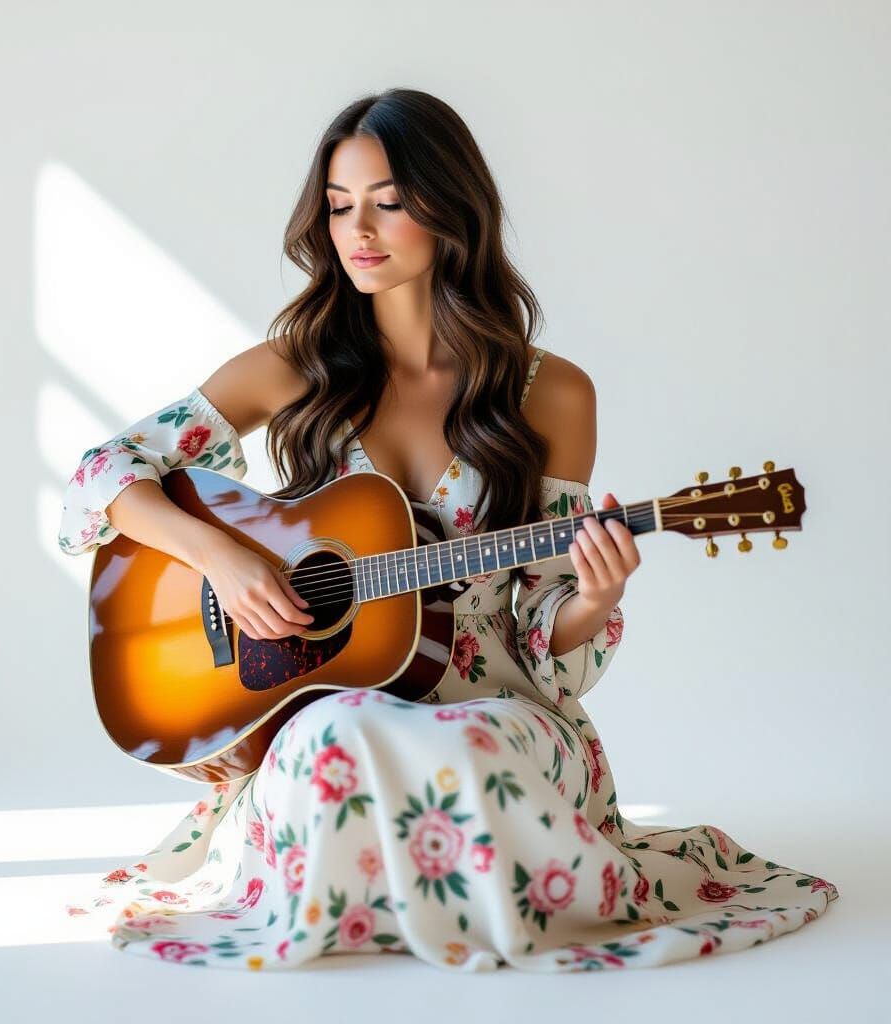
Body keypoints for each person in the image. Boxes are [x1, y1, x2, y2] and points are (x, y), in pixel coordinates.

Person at [57, 88, 838, 972]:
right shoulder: (291, 368)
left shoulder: (553, 393)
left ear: (451, 210)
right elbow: (103, 474)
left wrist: (594, 595)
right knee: (336, 735)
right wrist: (223, 557)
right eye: (341, 205)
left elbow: (545, 636)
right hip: (327, 704)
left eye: (388, 202)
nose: (360, 229)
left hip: (492, 710)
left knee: (467, 747)